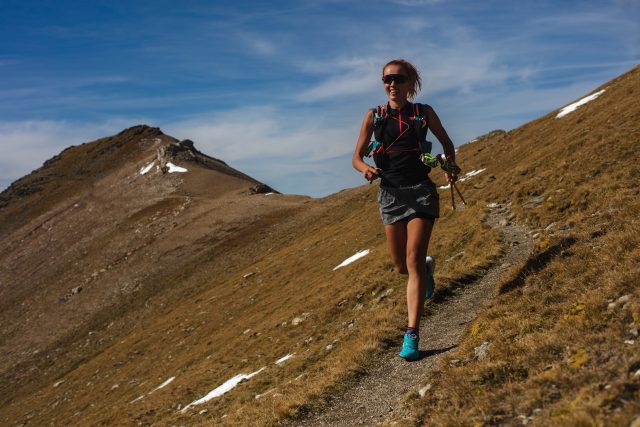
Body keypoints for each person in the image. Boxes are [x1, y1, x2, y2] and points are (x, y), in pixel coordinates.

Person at [351, 59, 459, 361]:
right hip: (390, 195)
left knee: (410, 261)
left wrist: (449, 167)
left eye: (399, 79)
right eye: (387, 79)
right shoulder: (374, 116)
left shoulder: (423, 113)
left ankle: (411, 334)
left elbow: (446, 144)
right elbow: (356, 157)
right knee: (400, 266)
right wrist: (365, 169)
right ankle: (426, 269)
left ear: (410, 82)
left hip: (421, 193)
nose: (392, 84)